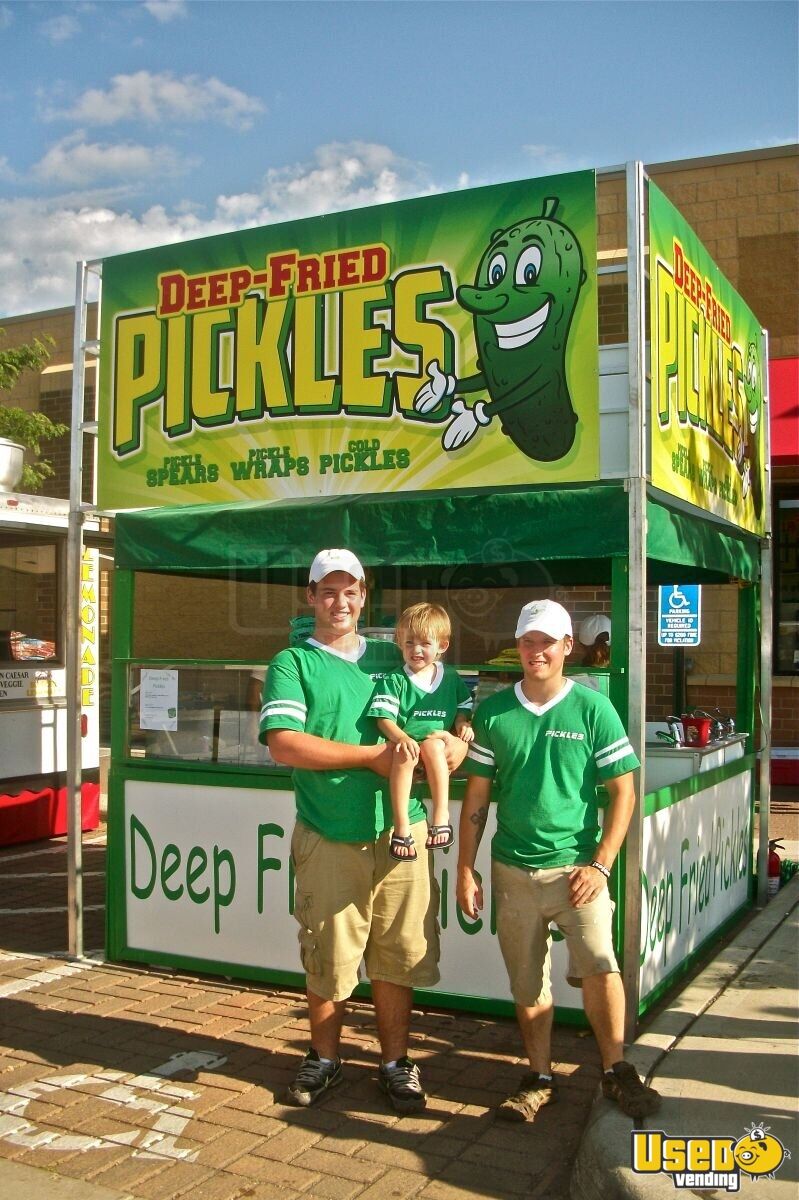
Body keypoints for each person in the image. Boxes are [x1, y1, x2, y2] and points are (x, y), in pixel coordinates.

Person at [260, 550, 467, 1113]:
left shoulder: (392, 653)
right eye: (328, 591)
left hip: (407, 836)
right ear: (310, 597)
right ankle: (324, 1058)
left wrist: (458, 742)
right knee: (328, 954)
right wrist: (370, 757)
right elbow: (283, 743)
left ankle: (396, 1064)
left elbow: (448, 715)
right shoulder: (292, 663)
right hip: (330, 832)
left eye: (350, 591)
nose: (340, 601)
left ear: (364, 594)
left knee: (400, 954)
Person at [457, 599, 660, 1122]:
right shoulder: (495, 712)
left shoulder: (594, 709)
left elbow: (624, 793)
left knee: (600, 966)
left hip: (577, 871)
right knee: (527, 983)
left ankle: (616, 1070)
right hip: (512, 870)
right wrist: (465, 867)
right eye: (528, 641)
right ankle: (539, 1076)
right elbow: (476, 798)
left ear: (568, 647)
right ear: (517, 647)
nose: (536, 652)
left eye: (547, 642)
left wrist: (600, 866)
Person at [367, 602, 474, 861]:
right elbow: (383, 718)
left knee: (433, 746)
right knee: (405, 754)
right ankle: (402, 829)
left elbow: (464, 705)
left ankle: (440, 816)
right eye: (409, 643)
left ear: (442, 646)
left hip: (435, 745)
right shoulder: (395, 680)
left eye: (425, 643)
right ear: (399, 643)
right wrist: (401, 737)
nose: (416, 650)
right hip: (405, 746)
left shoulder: (449, 677)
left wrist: (462, 724)